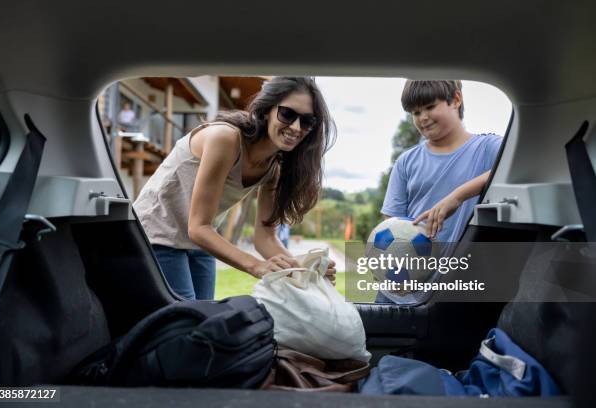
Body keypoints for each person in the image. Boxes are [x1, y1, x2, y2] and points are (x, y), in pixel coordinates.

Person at [134, 77, 337, 300]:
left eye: (307, 121)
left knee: (206, 321)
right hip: (158, 234)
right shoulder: (225, 139)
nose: (296, 127)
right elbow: (198, 226)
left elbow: (265, 238)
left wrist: (303, 269)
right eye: (287, 114)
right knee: (185, 321)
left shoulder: (273, 169)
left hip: (200, 243)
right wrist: (256, 266)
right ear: (268, 110)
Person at [382, 80, 502, 243]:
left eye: (430, 107)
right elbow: (392, 224)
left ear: (456, 100)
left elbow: (521, 162)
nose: (423, 117)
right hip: (421, 267)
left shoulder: (488, 147)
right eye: (416, 113)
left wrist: (457, 197)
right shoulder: (405, 162)